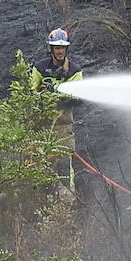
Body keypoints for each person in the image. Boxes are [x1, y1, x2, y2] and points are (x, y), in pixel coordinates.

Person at [27, 28, 84, 191]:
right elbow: (31, 93)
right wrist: (44, 94)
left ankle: (67, 197)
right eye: (57, 48)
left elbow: (78, 98)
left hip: (63, 127)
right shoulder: (40, 68)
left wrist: (57, 92)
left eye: (62, 48)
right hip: (41, 127)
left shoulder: (74, 71)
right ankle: (44, 198)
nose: (60, 51)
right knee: (41, 165)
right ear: (51, 49)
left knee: (64, 165)